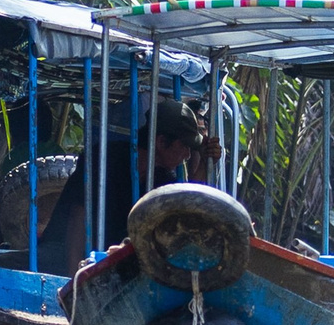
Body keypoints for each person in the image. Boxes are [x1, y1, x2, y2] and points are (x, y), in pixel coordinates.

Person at [35, 107, 209, 277]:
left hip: (106, 266)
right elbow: (78, 222)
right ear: (161, 142)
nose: (187, 155)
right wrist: (75, 282)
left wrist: (205, 163)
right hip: (61, 257)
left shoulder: (163, 179)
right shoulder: (105, 160)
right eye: (184, 146)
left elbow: (186, 211)